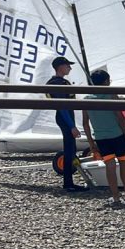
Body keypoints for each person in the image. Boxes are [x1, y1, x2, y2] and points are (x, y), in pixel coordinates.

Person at [82, 69, 125, 207]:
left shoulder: (86, 99)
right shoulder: (111, 95)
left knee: (110, 166)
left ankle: (115, 197)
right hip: (117, 135)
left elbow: (85, 123)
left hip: (101, 138)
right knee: (124, 163)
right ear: (105, 82)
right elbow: (119, 117)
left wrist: (91, 142)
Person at [46, 56, 87, 192]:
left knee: (71, 149)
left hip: (67, 116)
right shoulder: (57, 83)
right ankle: (68, 183)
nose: (70, 68)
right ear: (60, 67)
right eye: (67, 65)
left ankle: (69, 182)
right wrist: (72, 127)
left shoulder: (62, 82)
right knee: (69, 149)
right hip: (65, 118)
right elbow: (61, 107)